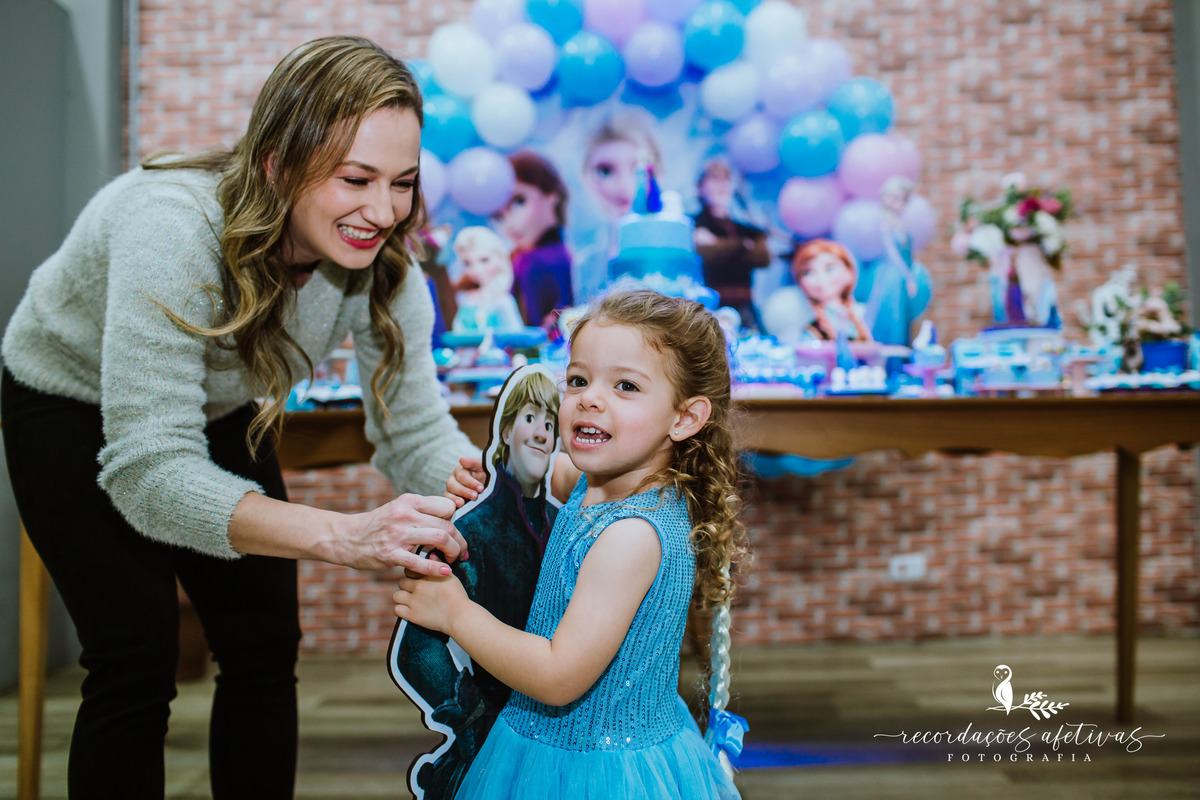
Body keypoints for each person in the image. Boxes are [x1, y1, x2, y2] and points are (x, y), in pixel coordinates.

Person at [1, 36, 476, 797]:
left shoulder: (381, 267)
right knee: (135, 654)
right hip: (65, 399)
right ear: (277, 163)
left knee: (263, 644)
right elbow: (151, 471)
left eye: (402, 183)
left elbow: (415, 429)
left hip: (208, 408)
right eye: (355, 179)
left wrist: (485, 489)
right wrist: (342, 534)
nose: (382, 211)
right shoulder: (172, 230)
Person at [395, 289, 748, 799]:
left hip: (591, 768)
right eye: (578, 379)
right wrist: (489, 481)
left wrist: (455, 614)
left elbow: (559, 676)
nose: (589, 398)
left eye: (625, 385)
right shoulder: (600, 479)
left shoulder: (630, 537)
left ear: (685, 418)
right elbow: (538, 476)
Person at [391, 366, 561, 800]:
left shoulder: (564, 525)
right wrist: (471, 716)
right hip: (497, 728)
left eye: (549, 424)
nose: (541, 432)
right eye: (529, 419)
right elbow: (417, 648)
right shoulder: (475, 530)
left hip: (567, 722)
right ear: (505, 432)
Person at [572, 109, 663, 302]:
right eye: (605, 171)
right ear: (585, 177)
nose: (623, 186)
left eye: (637, 170)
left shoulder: (672, 254)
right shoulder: (586, 263)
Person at [492, 151, 574, 328]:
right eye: (498, 216)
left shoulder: (530, 261)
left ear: (551, 194)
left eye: (518, 202)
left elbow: (530, 332)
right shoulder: (565, 253)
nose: (509, 223)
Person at [691, 158, 770, 327]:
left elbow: (763, 258)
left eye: (726, 179)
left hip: (745, 310)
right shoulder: (692, 223)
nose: (722, 185)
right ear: (700, 187)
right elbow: (706, 255)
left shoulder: (748, 230)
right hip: (708, 309)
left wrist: (721, 245)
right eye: (715, 179)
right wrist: (743, 246)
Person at [793, 238, 873, 342]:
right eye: (808, 272)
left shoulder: (865, 313)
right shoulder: (809, 328)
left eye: (830, 268)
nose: (820, 278)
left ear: (849, 272)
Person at [449, 226, 525, 333]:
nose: (476, 269)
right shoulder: (465, 298)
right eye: (467, 263)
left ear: (499, 258)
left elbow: (516, 335)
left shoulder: (503, 300)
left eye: (484, 260)